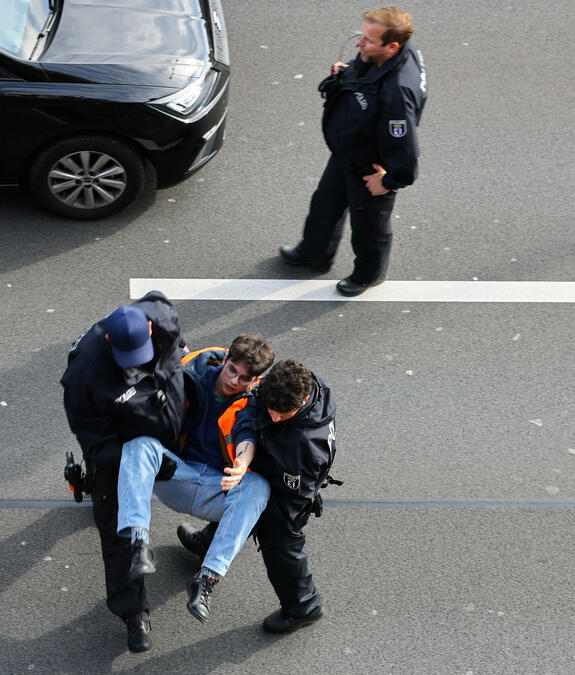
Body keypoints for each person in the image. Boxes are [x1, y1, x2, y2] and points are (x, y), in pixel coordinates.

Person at [116, 335, 274, 626]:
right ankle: (138, 544)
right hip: (175, 473)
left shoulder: (254, 400)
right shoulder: (189, 373)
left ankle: (207, 578)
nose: (235, 382)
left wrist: (243, 464)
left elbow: (247, 436)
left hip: (216, 487)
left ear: (255, 379)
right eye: (232, 371)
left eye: (244, 378)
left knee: (258, 486)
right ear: (225, 360)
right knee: (138, 445)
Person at [60, 291, 187, 653]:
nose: (133, 366)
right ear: (108, 342)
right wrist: (137, 463)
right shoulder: (84, 375)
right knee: (118, 531)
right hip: (119, 444)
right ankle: (133, 614)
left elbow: (178, 353)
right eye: (126, 360)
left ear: (151, 328)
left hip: (170, 428)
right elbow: (95, 442)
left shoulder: (162, 318)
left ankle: (209, 538)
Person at [279, 7, 427, 296]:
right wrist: (347, 72)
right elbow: (368, 70)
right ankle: (314, 252)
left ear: (391, 46)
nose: (360, 44)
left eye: (369, 41)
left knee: (369, 224)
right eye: (362, 36)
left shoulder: (397, 93)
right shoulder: (393, 52)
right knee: (325, 203)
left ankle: (368, 274)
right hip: (350, 148)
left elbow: (406, 150)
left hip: (371, 165)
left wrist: (388, 181)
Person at [237, 359, 337, 633]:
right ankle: (210, 542)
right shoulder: (296, 386)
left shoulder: (304, 446)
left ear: (304, 400)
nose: (274, 417)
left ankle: (303, 606)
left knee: (280, 542)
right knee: (238, 501)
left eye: (283, 414)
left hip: (291, 490)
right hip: (277, 463)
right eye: (272, 409)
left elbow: (292, 494)